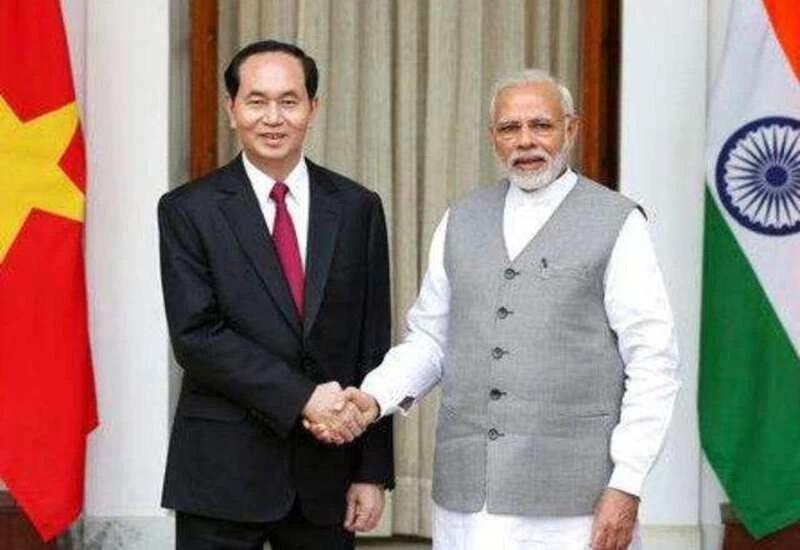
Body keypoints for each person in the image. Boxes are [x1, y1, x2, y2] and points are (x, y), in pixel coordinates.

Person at [309, 69, 681, 550]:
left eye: (541, 125)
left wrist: (627, 482)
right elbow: (431, 341)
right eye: (510, 128)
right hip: (468, 503)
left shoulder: (618, 222)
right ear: (493, 139)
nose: (525, 141)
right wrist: (372, 397)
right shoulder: (460, 218)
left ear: (570, 129)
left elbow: (653, 361)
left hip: (574, 505)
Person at [158, 39, 393, 550]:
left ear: (313, 108)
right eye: (256, 101)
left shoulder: (357, 208)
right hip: (221, 474)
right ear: (232, 109)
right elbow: (197, 337)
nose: (273, 118)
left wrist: (371, 471)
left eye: (289, 101)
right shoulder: (188, 210)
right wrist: (304, 397)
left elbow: (372, 343)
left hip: (327, 474)